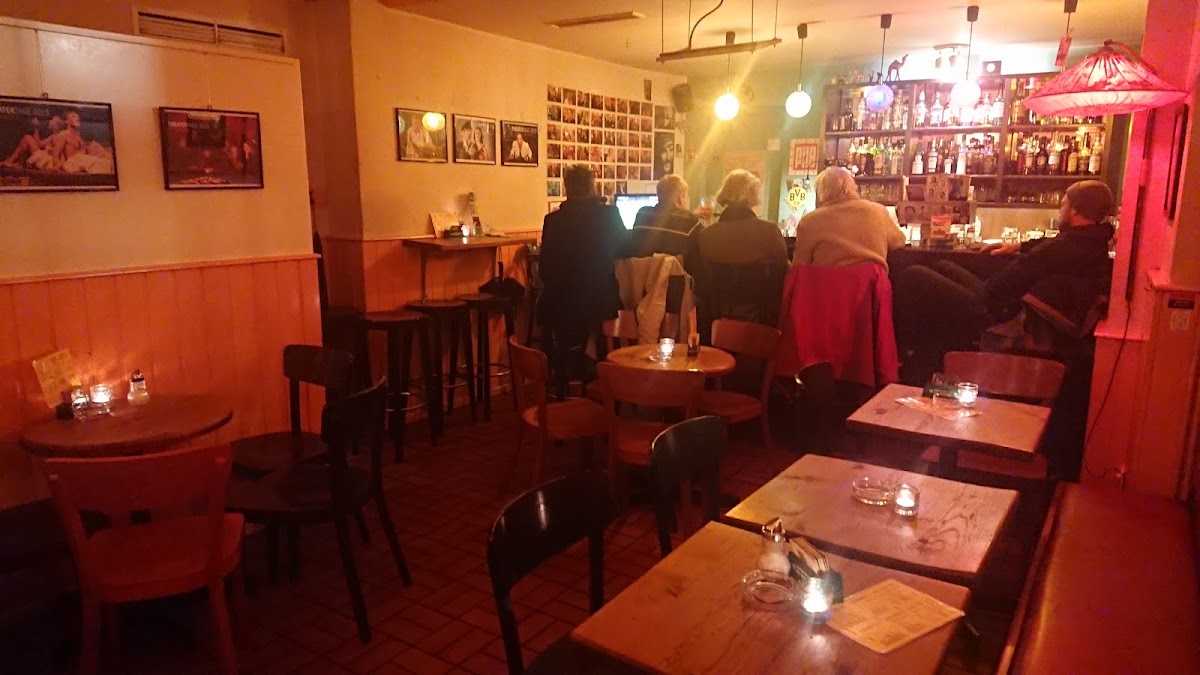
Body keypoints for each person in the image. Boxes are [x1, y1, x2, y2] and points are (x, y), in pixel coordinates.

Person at [894, 180, 1116, 380]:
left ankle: (908, 354)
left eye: (1064, 204)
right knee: (943, 266)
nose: (1061, 209)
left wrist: (986, 286)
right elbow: (1046, 247)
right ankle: (923, 351)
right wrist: (1017, 246)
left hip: (1007, 318)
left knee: (915, 274)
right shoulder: (1089, 241)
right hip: (1010, 306)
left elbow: (1008, 281)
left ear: (1075, 210)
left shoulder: (1066, 247)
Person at [538, 164, 628, 398]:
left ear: (567, 189)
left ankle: (563, 386)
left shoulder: (552, 220)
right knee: (605, 334)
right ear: (592, 187)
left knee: (565, 340)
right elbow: (626, 247)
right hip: (598, 299)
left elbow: (544, 268)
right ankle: (607, 388)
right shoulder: (608, 215)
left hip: (559, 301)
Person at [692, 169, 789, 340]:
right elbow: (783, 277)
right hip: (761, 329)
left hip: (712, 329)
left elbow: (699, 285)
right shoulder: (770, 232)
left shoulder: (705, 235)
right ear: (753, 197)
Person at [792, 167, 906, 270]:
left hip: (826, 286)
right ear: (853, 187)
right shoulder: (878, 211)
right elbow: (899, 242)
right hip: (872, 286)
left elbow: (799, 266)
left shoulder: (809, 221)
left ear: (820, 192)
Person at [628, 174, 703, 263]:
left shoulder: (642, 213)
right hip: (674, 271)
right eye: (686, 196)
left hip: (641, 271)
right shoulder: (690, 220)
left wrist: (690, 216)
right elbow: (707, 244)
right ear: (681, 197)